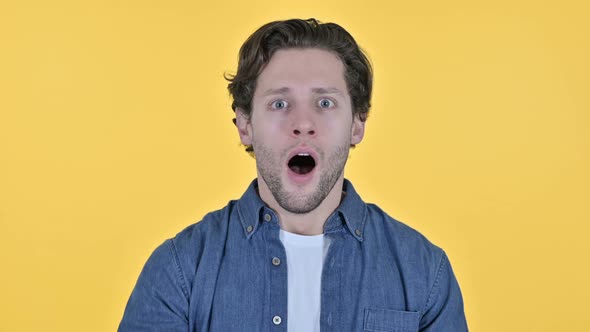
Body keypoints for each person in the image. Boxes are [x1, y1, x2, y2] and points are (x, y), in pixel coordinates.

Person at [118, 18, 468, 331]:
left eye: (325, 102)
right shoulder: (179, 270)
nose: (302, 124)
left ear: (357, 125)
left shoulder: (425, 271)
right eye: (280, 103)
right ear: (245, 125)